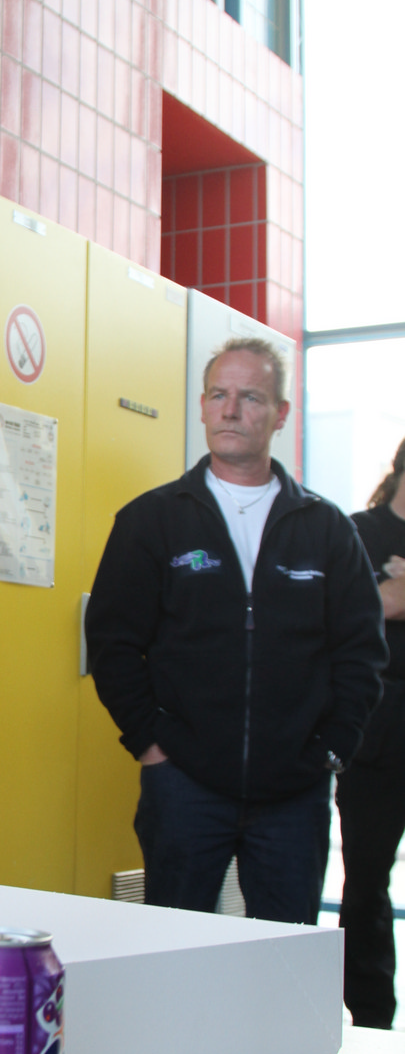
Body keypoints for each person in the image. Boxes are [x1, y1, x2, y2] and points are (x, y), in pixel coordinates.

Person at [85, 337, 386, 924]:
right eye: (218, 394)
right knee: (172, 946)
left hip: (294, 791)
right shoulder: (153, 520)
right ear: (201, 406)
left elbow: (361, 652)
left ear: (280, 413)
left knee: (284, 953)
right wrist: (150, 742)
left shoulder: (326, 528)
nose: (230, 410)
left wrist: (332, 748)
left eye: (250, 397)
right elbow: (112, 643)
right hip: (184, 783)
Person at [336, 439, 405, 1028]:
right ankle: (370, 1021)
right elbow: (354, 610)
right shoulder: (359, 532)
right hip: (377, 729)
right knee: (365, 883)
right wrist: (387, 596)